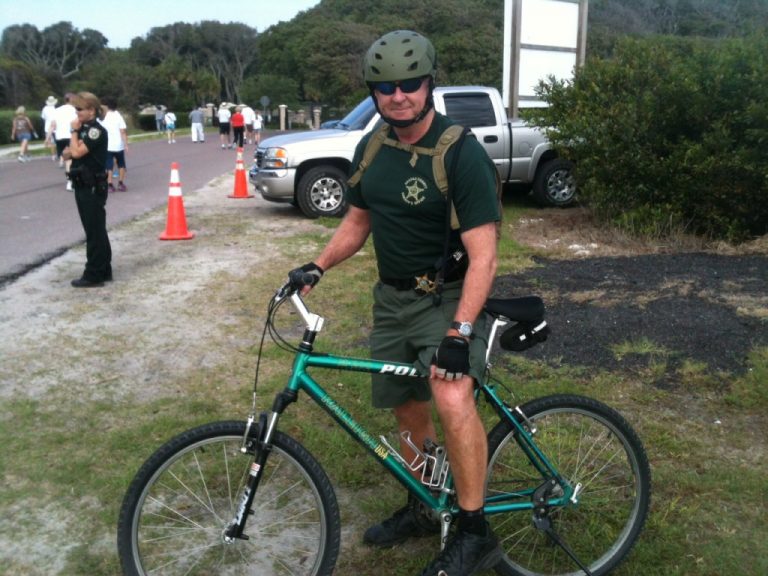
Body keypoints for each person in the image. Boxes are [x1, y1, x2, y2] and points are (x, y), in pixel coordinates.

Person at [287, 30, 500, 576]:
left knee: (451, 400)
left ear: (429, 85)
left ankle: (475, 532)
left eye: (410, 83)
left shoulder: (461, 152)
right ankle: (425, 507)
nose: (398, 94)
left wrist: (458, 332)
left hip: (446, 297)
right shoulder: (372, 146)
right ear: (374, 92)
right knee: (408, 409)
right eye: (385, 86)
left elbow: (485, 258)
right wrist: (319, 265)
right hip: (392, 299)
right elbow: (358, 222)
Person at [62, 91, 111, 288]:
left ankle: (94, 273)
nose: (77, 113)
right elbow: (67, 154)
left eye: (80, 109)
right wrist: (73, 145)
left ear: (91, 110)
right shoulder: (85, 129)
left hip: (92, 186)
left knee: (94, 231)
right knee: (94, 229)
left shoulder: (95, 131)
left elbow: (75, 152)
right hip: (82, 184)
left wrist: (73, 134)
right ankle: (103, 268)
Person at [51, 94, 79, 188]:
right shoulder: (74, 110)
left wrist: (48, 137)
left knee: (67, 160)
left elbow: (53, 124)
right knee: (71, 160)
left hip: (59, 137)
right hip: (70, 136)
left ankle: (70, 180)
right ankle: (71, 181)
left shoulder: (57, 110)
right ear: (71, 99)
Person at [101, 99, 128, 191]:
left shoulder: (103, 117)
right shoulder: (118, 116)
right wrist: (126, 144)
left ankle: (110, 184)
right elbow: (123, 131)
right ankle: (120, 183)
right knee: (121, 164)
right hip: (118, 144)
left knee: (109, 165)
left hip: (107, 145)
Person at [42, 95, 58, 161]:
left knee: (52, 142)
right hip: (55, 127)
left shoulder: (45, 109)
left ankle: (53, 155)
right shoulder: (55, 109)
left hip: (47, 127)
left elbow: (43, 117)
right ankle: (57, 154)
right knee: (56, 141)